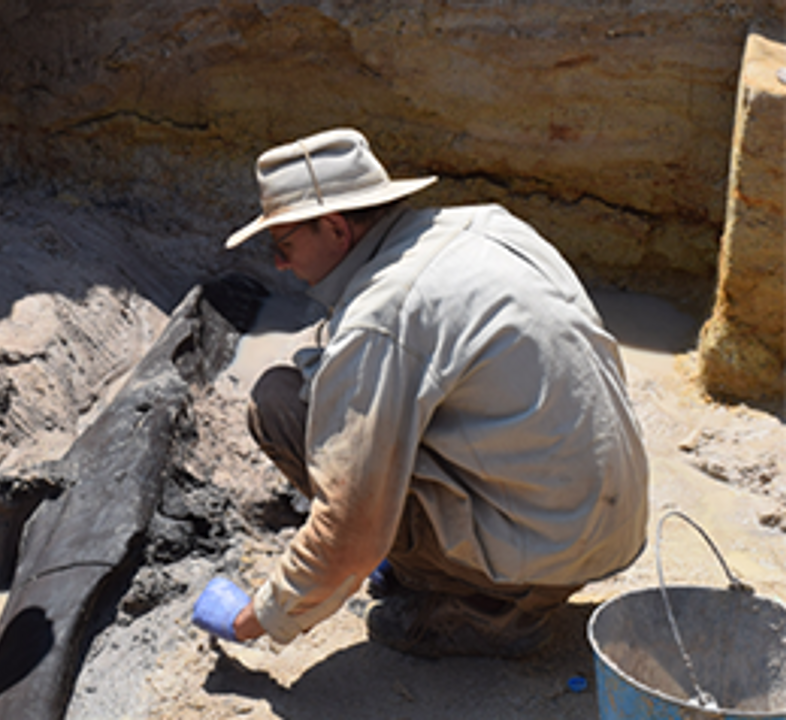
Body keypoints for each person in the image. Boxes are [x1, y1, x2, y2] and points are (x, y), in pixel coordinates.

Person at [192, 128, 649, 658]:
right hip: (609, 523)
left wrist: (256, 619)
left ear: (336, 228)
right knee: (325, 401)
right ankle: (461, 571)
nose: (278, 263)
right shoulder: (487, 224)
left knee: (279, 407)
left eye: (284, 244)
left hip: (546, 552)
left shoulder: (384, 314)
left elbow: (348, 528)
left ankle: (488, 610)